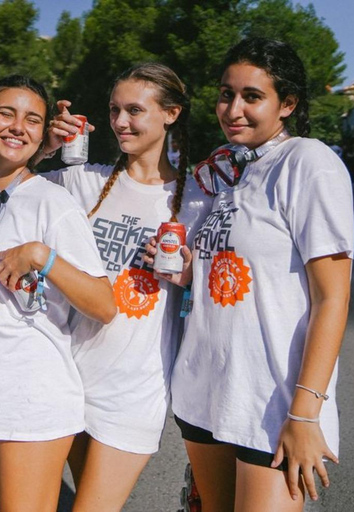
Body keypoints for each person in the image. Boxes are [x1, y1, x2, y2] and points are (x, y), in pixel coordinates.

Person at [155, 38, 354, 511]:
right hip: (204, 394)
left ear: (287, 104)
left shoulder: (308, 163)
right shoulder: (229, 174)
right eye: (226, 94)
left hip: (272, 405)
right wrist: (189, 270)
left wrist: (306, 414)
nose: (233, 109)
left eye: (252, 96)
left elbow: (333, 298)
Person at [35, 63, 211, 510]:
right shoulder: (84, 181)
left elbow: (215, 295)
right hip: (67, 376)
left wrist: (190, 278)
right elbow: (2, 192)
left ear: (171, 113)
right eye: (115, 110)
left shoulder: (197, 199)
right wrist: (44, 147)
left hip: (136, 388)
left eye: (134, 110)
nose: (119, 122)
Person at [0, 75, 116, 512]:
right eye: (6, 113)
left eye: (32, 119)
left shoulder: (51, 202)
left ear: (43, 134)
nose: (17, 126)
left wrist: (44, 257)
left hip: (31, 395)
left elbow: (104, 304)